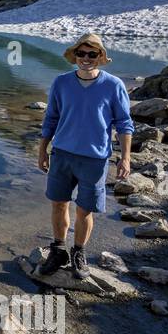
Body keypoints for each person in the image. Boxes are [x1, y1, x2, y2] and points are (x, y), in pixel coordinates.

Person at [36, 33, 134, 279]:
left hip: (94, 159)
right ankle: (58, 250)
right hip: (62, 155)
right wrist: (42, 150)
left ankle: (78, 252)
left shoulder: (113, 85)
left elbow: (124, 124)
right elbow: (51, 118)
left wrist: (125, 157)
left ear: (100, 57)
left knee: (84, 210)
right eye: (81, 53)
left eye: (92, 54)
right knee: (59, 203)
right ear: (75, 56)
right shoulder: (61, 83)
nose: (86, 58)